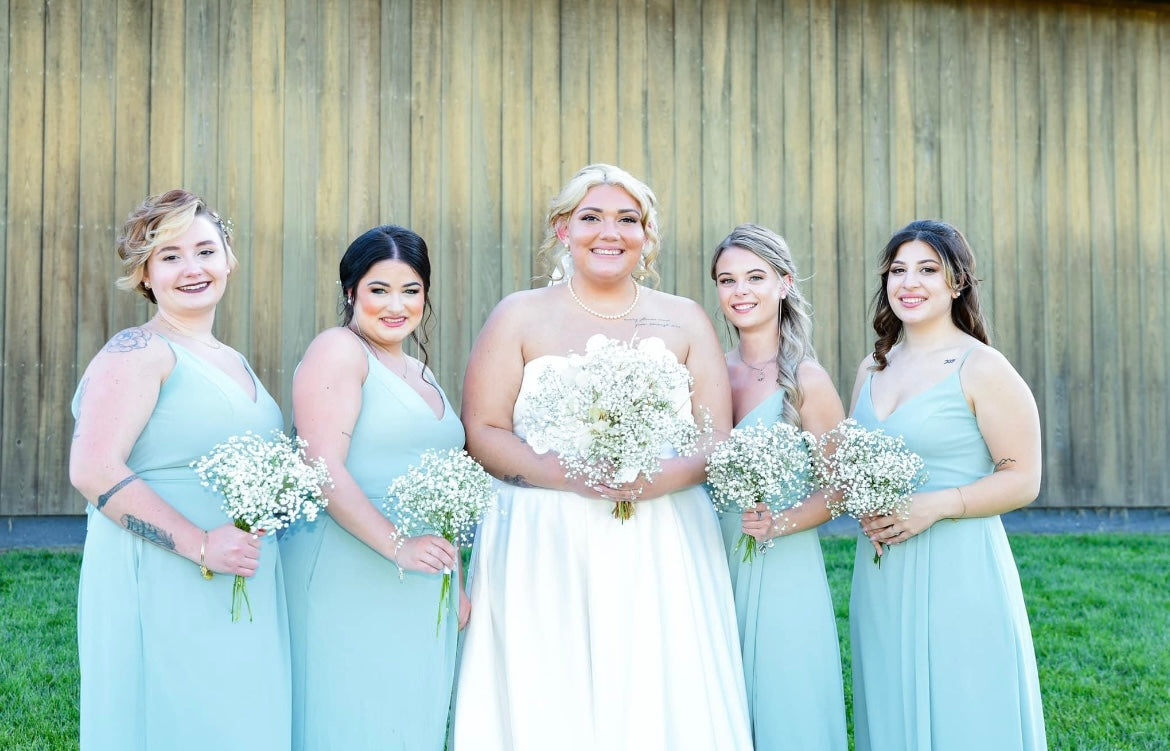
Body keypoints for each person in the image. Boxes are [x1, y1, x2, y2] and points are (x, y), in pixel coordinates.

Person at [450, 164, 751, 750]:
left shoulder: (684, 317)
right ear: (564, 229)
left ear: (646, 235)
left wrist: (654, 481)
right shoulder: (519, 314)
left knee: (656, 685)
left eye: (627, 220)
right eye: (591, 217)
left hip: (661, 534)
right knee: (551, 691)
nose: (608, 232)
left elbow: (716, 437)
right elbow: (483, 430)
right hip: (544, 538)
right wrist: (572, 477)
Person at [69, 190, 290, 749]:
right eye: (169, 256)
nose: (192, 268)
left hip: (235, 574)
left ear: (228, 259)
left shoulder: (231, 357)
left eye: (204, 250)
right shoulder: (137, 350)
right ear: (145, 274)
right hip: (166, 576)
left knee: (235, 721)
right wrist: (199, 545)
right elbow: (93, 469)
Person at [849, 220, 1046, 750]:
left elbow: (1024, 478)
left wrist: (937, 505)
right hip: (882, 572)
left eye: (927, 270)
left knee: (964, 708)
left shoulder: (982, 367)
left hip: (960, 570)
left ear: (957, 282)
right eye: (897, 270)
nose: (909, 283)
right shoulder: (873, 366)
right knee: (890, 705)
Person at [279, 225, 467, 751]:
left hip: (419, 579)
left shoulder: (420, 372)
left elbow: (442, 485)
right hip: (349, 567)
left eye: (410, 290)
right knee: (346, 715)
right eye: (378, 290)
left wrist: (457, 581)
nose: (396, 305)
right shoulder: (339, 350)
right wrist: (397, 545)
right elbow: (322, 466)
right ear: (350, 293)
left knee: (407, 718)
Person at [710, 223, 849, 750]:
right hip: (714, 555)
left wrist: (781, 522)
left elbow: (841, 487)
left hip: (784, 559)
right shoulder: (710, 373)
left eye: (754, 277)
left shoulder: (806, 379)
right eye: (727, 280)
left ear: (784, 283)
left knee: (786, 696)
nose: (740, 291)